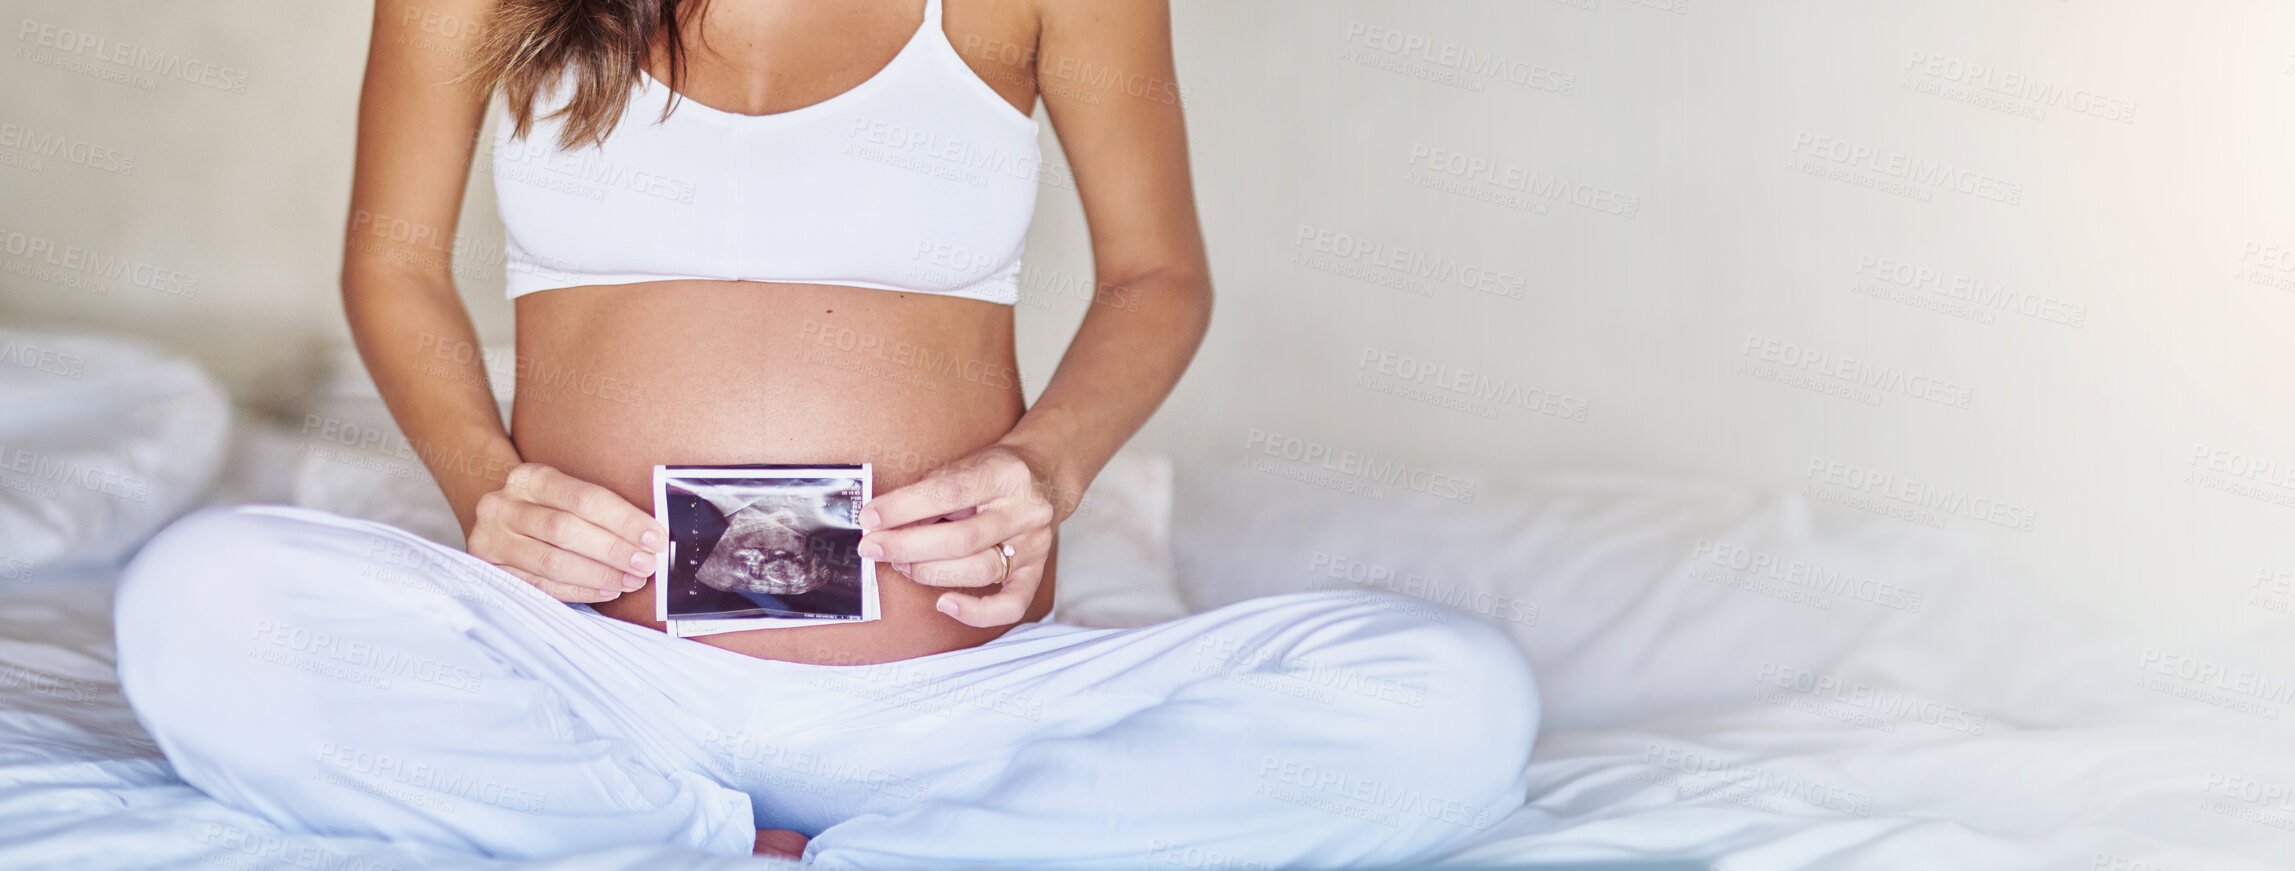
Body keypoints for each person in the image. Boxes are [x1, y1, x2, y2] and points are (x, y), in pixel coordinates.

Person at [113, 0, 1542, 866]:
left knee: (1454, 698)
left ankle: (891, 855)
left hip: (961, 710)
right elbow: (393, 261)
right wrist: (485, 487)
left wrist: (1045, 468)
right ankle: (704, 845)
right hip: (598, 673)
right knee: (197, 600)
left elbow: (1160, 277)